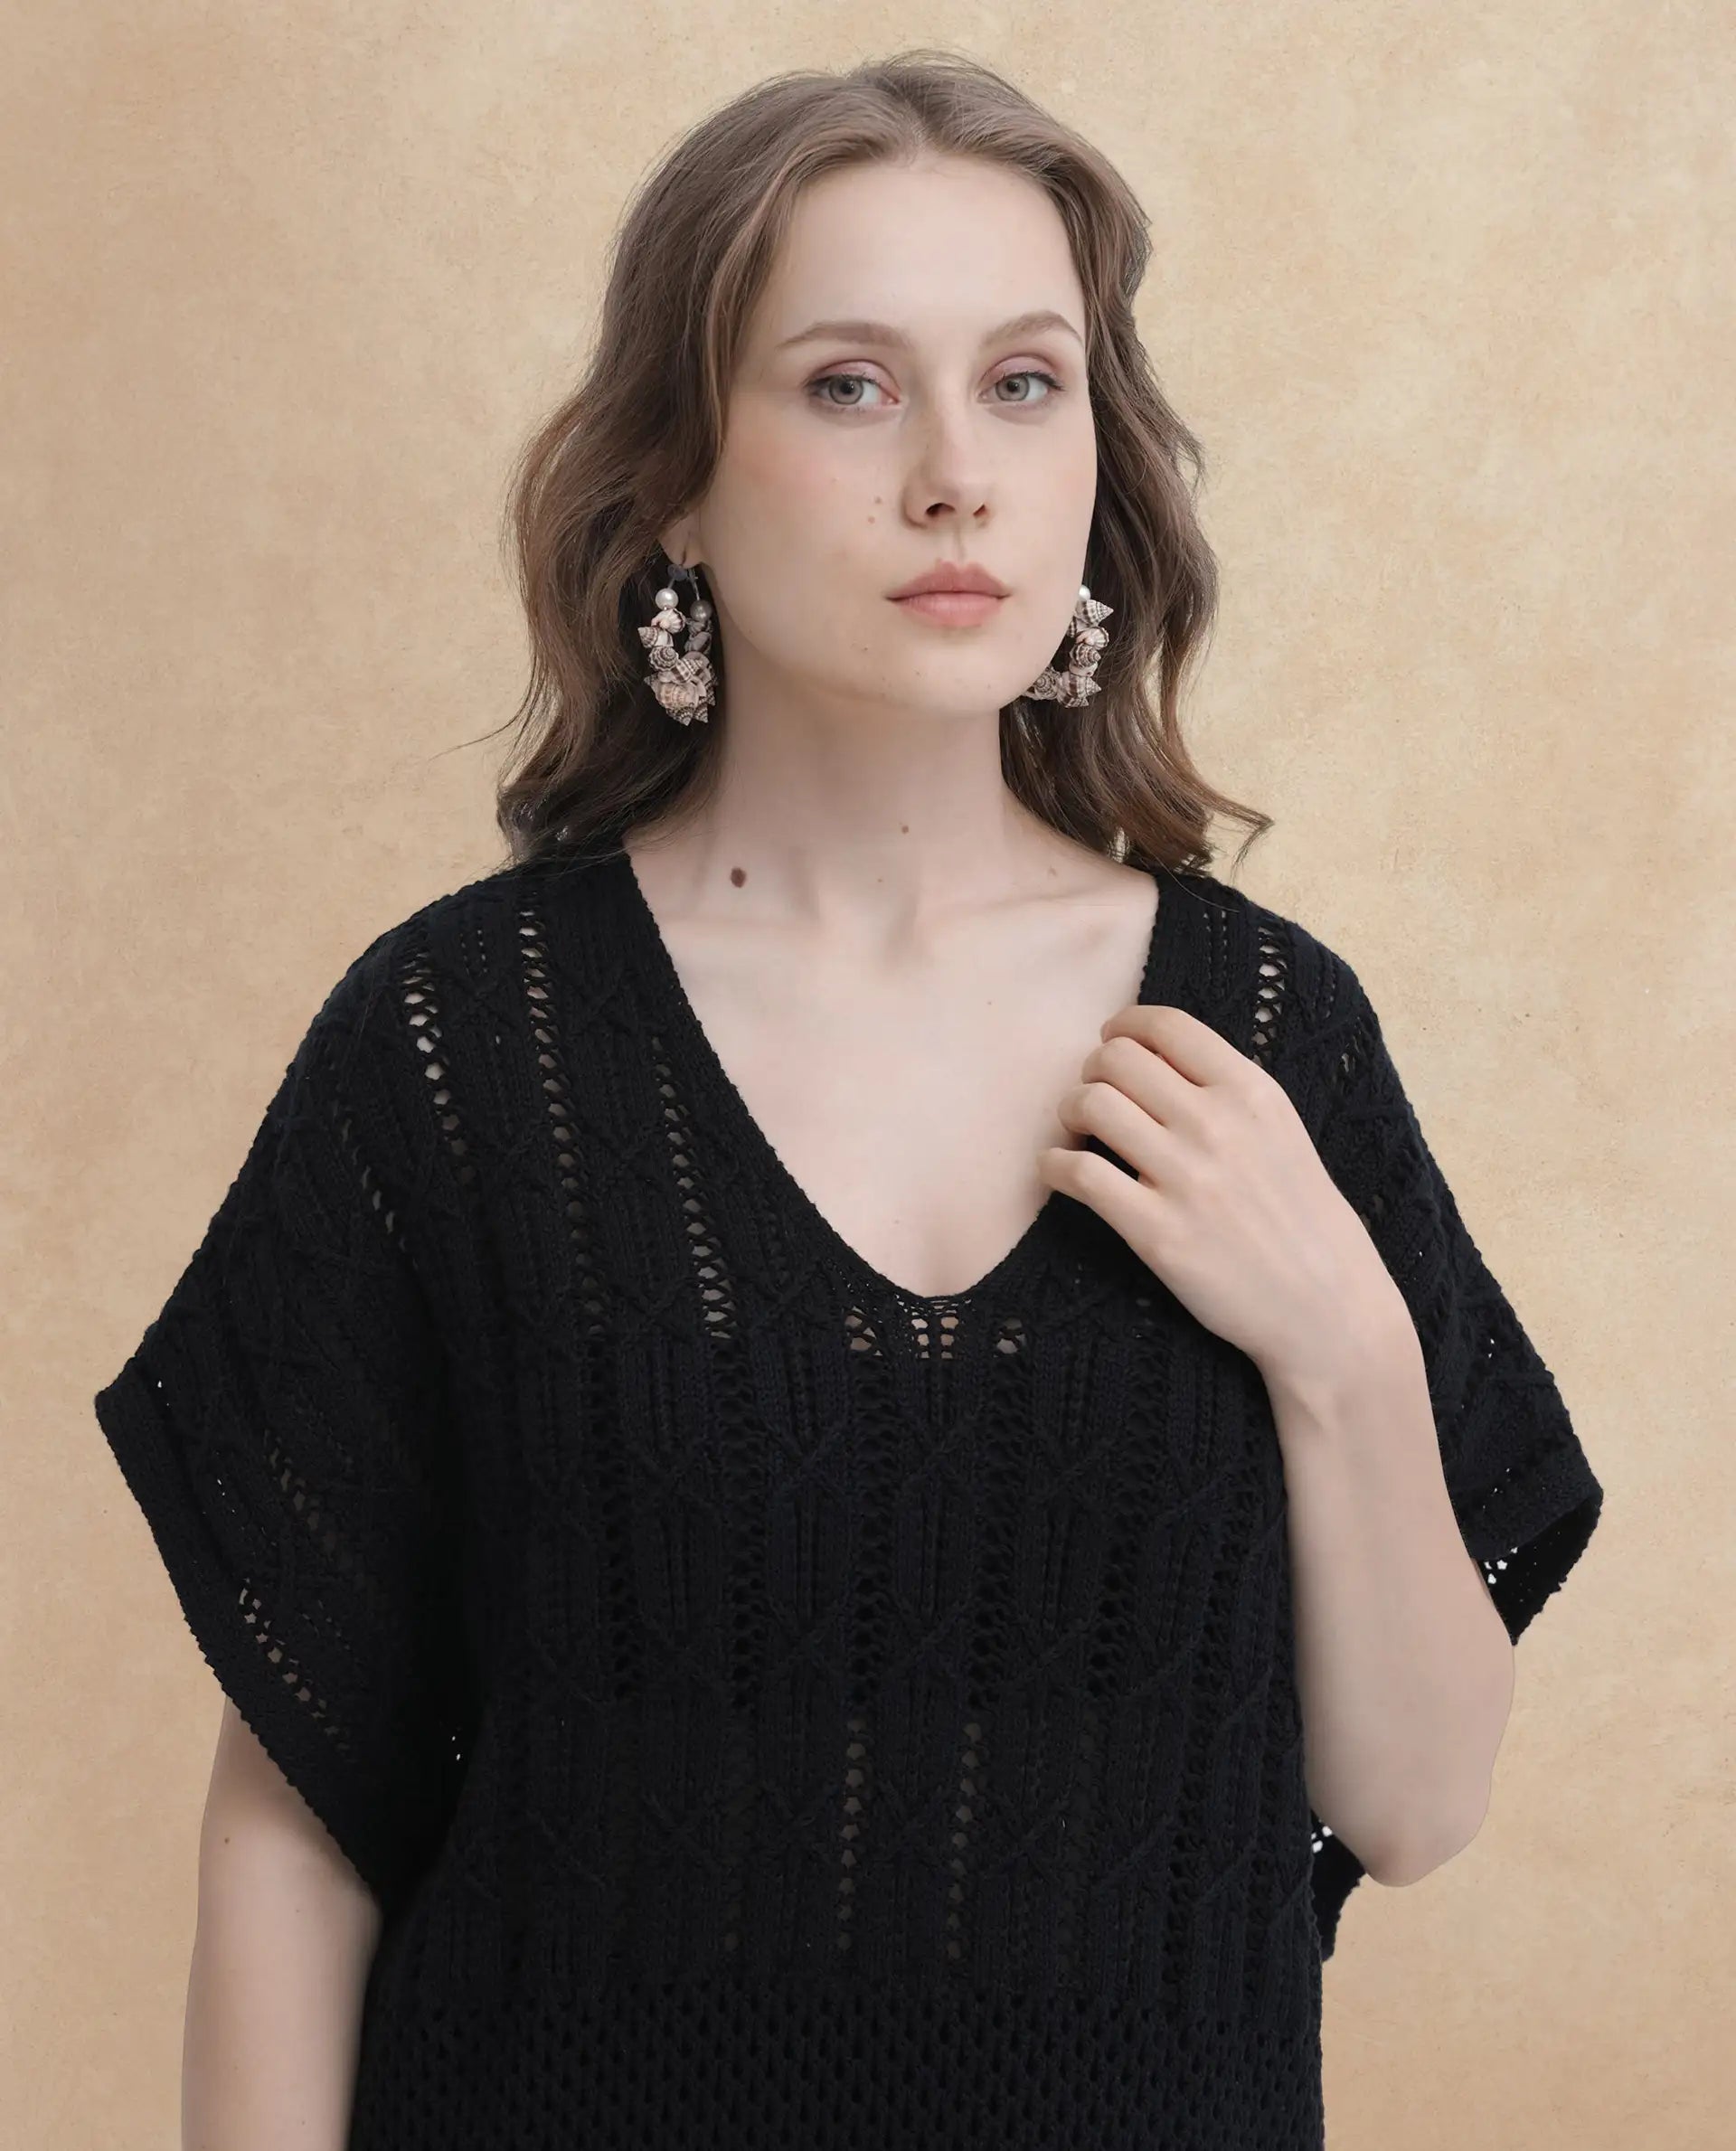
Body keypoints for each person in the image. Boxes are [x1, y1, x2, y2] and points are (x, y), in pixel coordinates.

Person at [93, 49, 1604, 2151]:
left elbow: (1416, 1802)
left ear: (1097, 459)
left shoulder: (1272, 1034)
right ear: (675, 485)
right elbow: (298, 1810)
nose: (956, 475)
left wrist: (1343, 1341)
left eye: (1024, 382)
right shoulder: (457, 1045)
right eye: (848, 385)